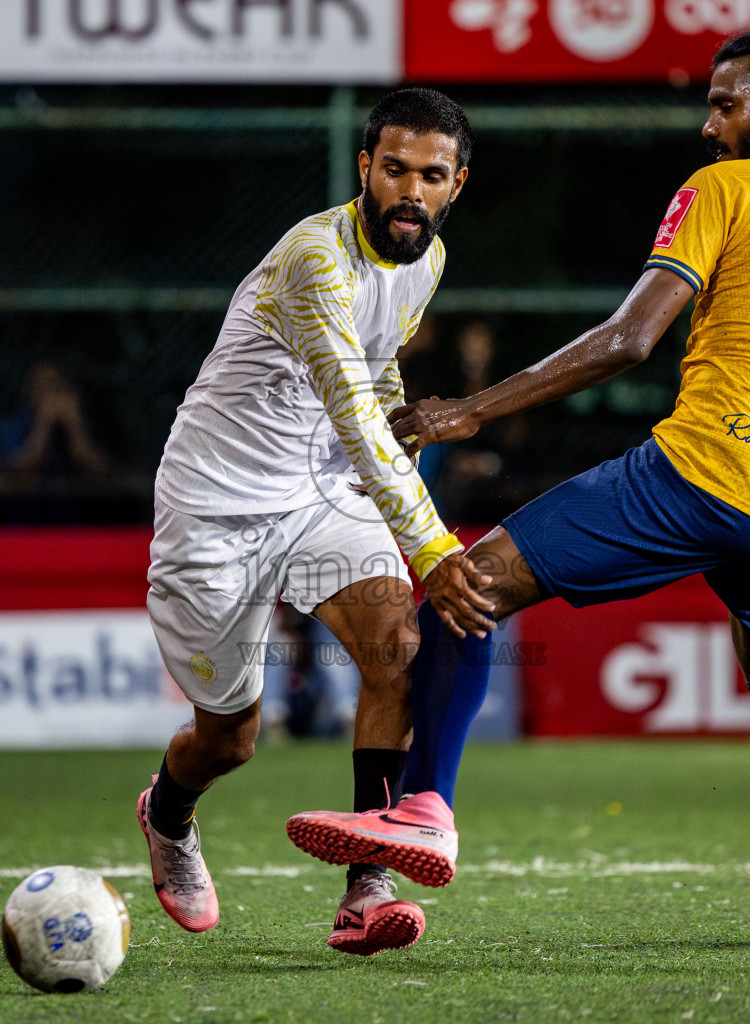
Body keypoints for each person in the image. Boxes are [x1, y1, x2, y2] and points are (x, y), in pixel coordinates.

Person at [287, 29, 750, 950]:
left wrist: (473, 410)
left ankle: (427, 807)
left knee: (467, 582)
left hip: (702, 473)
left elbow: (629, 338)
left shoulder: (722, 188)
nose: (709, 122)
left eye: (728, 104)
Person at [142, 88, 490, 957]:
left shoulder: (428, 259)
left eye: (433, 176)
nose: (413, 190)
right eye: (397, 169)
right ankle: (168, 811)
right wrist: (434, 543)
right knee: (231, 740)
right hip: (216, 501)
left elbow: (371, 381)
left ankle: (368, 887)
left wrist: (400, 409)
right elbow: (347, 404)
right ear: (365, 168)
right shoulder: (315, 256)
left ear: (457, 184)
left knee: (396, 651)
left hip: (321, 492)